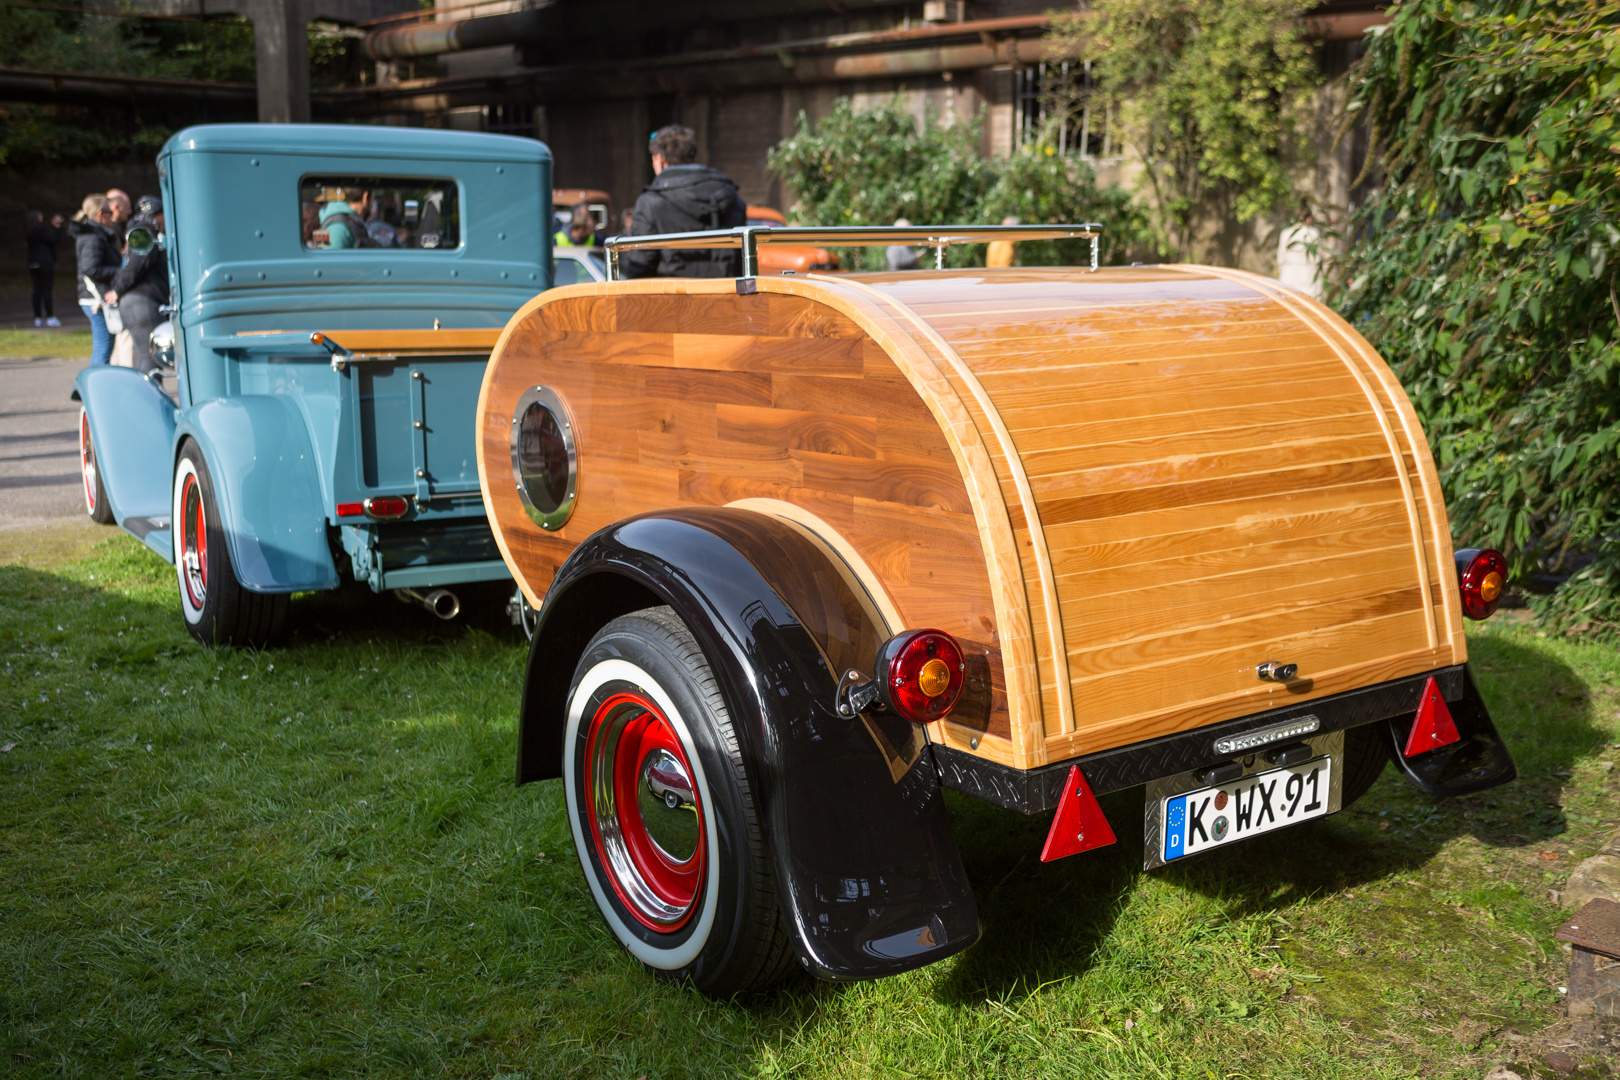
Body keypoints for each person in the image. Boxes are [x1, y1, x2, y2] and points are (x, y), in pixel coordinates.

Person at [622, 125, 745, 278]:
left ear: (660, 160)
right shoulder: (732, 197)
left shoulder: (650, 203)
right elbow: (741, 262)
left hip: (674, 297)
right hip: (727, 295)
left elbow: (640, 266)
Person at [107, 195, 170, 374]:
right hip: (142, 302)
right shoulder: (145, 233)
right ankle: (149, 400)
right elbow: (135, 265)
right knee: (149, 358)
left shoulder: (138, 231)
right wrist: (117, 289)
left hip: (138, 301)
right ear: (156, 214)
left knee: (145, 357)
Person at [70, 194, 121, 365]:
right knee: (103, 348)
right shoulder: (92, 237)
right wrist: (120, 271)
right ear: (100, 214)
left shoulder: (96, 234)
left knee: (105, 346)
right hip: (95, 299)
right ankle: (97, 387)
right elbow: (91, 268)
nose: (113, 216)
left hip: (95, 297)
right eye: (109, 212)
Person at [25, 210, 66, 327]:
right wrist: (57, 227)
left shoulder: (29, 232)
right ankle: (50, 316)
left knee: (37, 290)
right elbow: (53, 240)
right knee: (46, 290)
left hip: (33, 264)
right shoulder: (39, 232)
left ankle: (38, 317)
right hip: (44, 264)